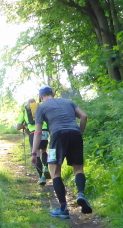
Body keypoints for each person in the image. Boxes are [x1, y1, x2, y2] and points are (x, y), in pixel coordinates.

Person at [30, 85, 92, 219]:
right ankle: (81, 194)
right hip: (75, 133)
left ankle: (63, 209)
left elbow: (38, 132)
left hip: (57, 135)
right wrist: (80, 132)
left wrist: (34, 153)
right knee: (78, 169)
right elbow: (84, 116)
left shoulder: (41, 108)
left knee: (55, 172)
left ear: (41, 97)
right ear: (53, 93)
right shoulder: (68, 102)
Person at [17, 98, 50, 185]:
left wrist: (25, 126)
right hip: (44, 131)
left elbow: (18, 127)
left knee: (37, 154)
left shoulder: (24, 111)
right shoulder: (41, 108)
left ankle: (42, 177)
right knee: (44, 151)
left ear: (28, 104)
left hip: (33, 133)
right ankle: (46, 167)